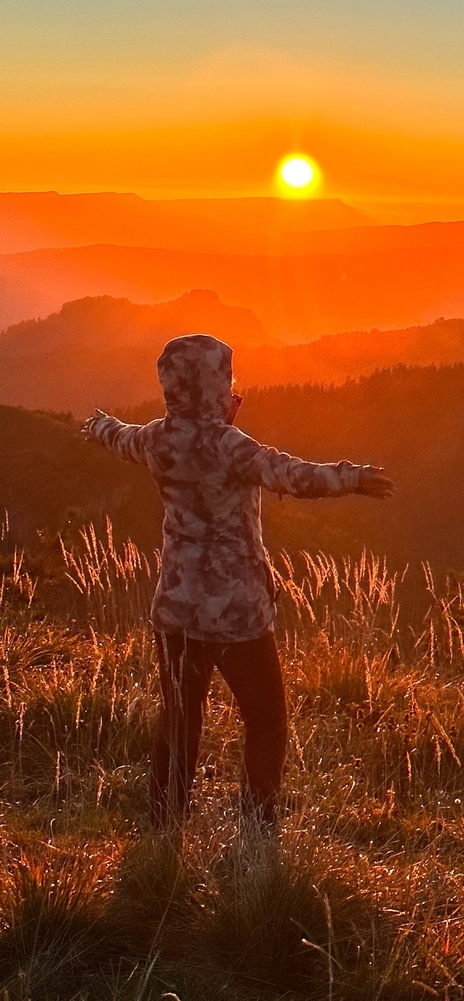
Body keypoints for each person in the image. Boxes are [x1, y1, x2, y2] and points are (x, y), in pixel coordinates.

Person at [82, 333, 393, 830]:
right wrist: (352, 477)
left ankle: (164, 829)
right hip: (236, 615)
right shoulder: (229, 445)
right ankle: (256, 833)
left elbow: (119, 437)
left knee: (180, 720)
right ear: (217, 386)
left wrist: (98, 424)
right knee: (266, 721)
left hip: (175, 612)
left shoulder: (157, 439)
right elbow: (290, 474)